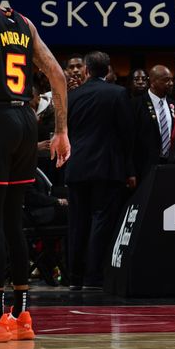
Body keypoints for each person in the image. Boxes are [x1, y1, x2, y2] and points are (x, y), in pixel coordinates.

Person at [0, 0, 70, 341]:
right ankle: (21, 315)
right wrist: (63, 131)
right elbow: (58, 75)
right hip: (25, 121)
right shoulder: (23, 23)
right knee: (12, 219)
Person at [66, 51, 134, 292]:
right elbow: (127, 134)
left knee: (77, 223)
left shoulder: (71, 96)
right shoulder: (117, 93)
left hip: (76, 166)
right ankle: (93, 277)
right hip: (106, 167)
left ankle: (74, 276)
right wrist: (130, 169)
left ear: (86, 70)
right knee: (100, 221)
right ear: (107, 70)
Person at [131, 64, 175, 186]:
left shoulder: (173, 105)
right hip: (144, 168)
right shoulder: (136, 105)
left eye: (171, 80)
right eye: (166, 80)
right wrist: (130, 171)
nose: (171, 83)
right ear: (153, 82)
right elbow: (129, 140)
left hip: (169, 166)